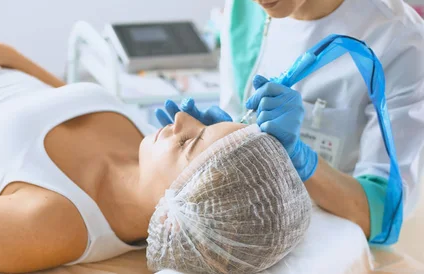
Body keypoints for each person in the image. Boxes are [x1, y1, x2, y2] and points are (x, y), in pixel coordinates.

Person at [0, 9, 312, 273]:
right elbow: (58, 100)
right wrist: (3, 53)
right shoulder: (145, 157)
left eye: (191, 143)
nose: (184, 120)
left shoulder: (51, 225)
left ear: (183, 209)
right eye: (204, 126)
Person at [163, 0, 424, 245]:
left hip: (336, 245)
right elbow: (238, 107)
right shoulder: (244, 9)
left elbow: (382, 216)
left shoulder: (401, 41)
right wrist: (221, 136)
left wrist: (302, 161)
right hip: (257, 225)